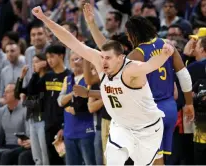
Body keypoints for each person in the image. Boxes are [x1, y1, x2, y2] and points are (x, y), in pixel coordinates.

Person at [31, 6, 175, 165]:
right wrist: (45, 19)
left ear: (120, 59)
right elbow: (71, 41)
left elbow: (150, 65)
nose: (103, 62)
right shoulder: (101, 61)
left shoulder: (131, 69)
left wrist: (164, 54)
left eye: (108, 58)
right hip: (122, 125)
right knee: (112, 161)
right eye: (102, 57)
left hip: (146, 127)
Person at [82, 3, 194, 165]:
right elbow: (184, 75)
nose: (127, 38)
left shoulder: (137, 55)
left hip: (150, 112)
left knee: (148, 160)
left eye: (128, 34)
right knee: (158, 159)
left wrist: (92, 25)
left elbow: (108, 52)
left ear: (134, 34)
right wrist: (189, 103)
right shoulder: (166, 45)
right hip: (170, 109)